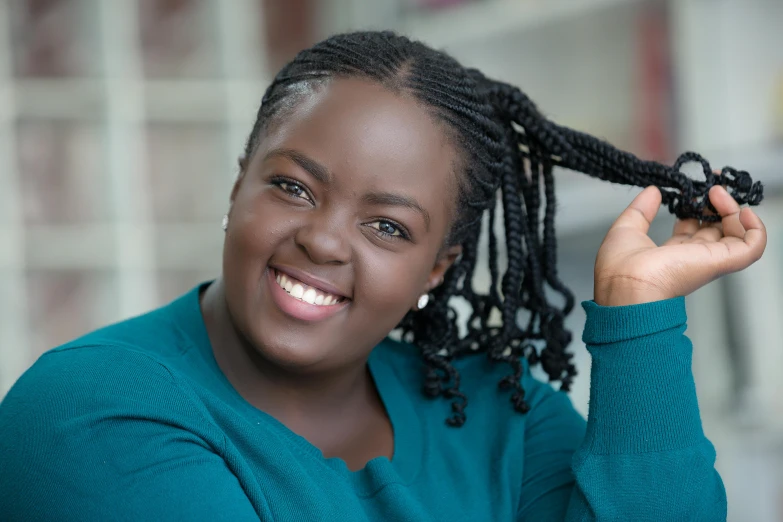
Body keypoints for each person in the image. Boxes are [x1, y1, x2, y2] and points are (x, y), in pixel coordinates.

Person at [0, 31, 767, 521]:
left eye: (387, 227)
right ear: (238, 187)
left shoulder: (497, 416)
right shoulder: (86, 410)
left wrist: (637, 316)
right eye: (293, 187)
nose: (323, 241)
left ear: (437, 268)